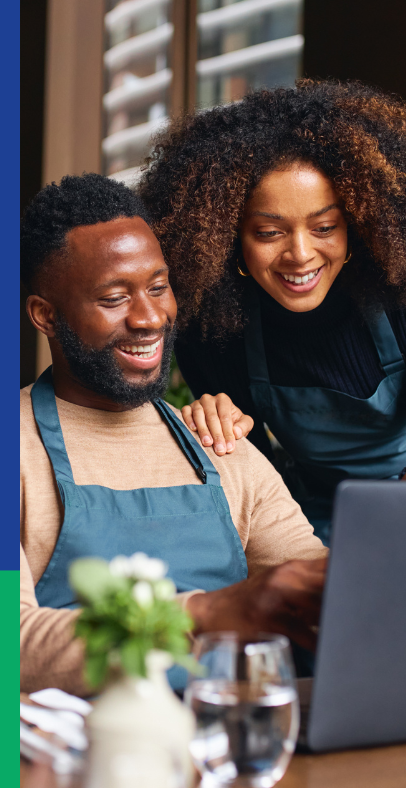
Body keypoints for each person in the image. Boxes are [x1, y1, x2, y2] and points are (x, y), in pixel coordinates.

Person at [20, 173, 327, 696]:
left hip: (232, 752)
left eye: (158, 287)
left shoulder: (222, 443)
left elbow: (319, 594)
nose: (149, 317)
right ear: (46, 316)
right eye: (115, 298)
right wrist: (207, 612)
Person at [139, 80, 406, 544]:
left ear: (357, 226)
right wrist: (216, 429)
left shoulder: (397, 293)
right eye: (269, 232)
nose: (301, 255)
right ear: (228, 239)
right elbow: (255, 484)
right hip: (317, 522)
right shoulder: (215, 331)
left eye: (325, 226)